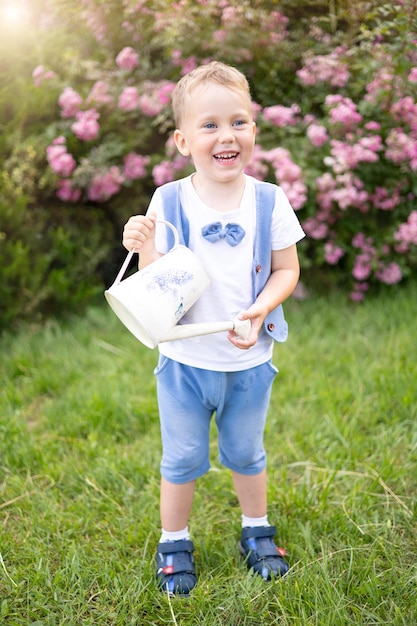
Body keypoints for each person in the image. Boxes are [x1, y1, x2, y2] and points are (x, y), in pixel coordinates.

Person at [122, 61, 305, 595]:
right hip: (184, 362)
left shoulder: (269, 200)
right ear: (182, 140)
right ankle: (173, 540)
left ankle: (256, 530)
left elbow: (286, 269)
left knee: (247, 451)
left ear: (253, 130)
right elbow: (158, 278)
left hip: (248, 360)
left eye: (239, 122)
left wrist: (259, 310)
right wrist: (141, 243)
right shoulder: (169, 200)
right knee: (181, 457)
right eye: (209, 125)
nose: (226, 135)